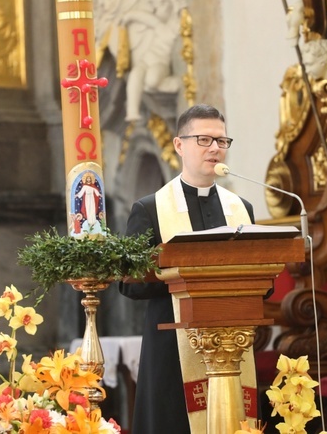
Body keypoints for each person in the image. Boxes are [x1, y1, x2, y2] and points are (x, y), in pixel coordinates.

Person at [119, 104, 256, 434]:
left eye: (222, 141)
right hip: (172, 350)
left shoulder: (242, 209)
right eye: (204, 139)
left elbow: (260, 281)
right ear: (180, 145)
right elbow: (129, 283)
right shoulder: (149, 210)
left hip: (232, 342)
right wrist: (184, 274)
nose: (215, 149)